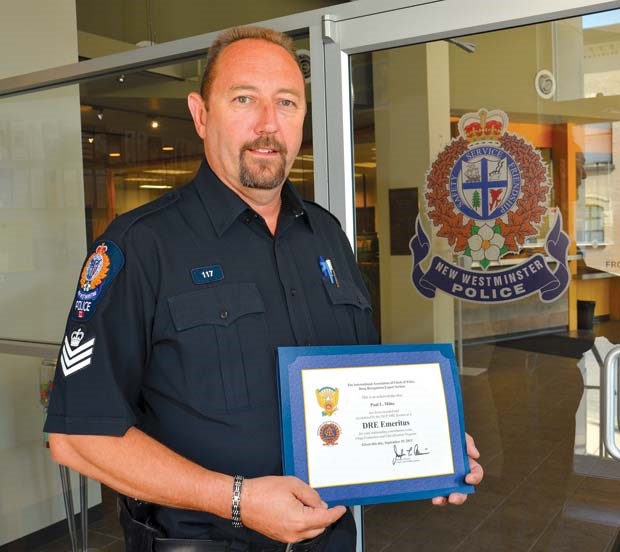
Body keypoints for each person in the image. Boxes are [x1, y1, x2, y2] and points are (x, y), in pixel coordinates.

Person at [45, 25, 483, 552]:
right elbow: (78, 437)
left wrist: (429, 447)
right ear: (201, 114)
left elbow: (361, 386)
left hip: (330, 537)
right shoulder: (139, 247)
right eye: (244, 99)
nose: (268, 124)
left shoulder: (325, 236)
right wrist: (236, 500)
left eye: (287, 102)